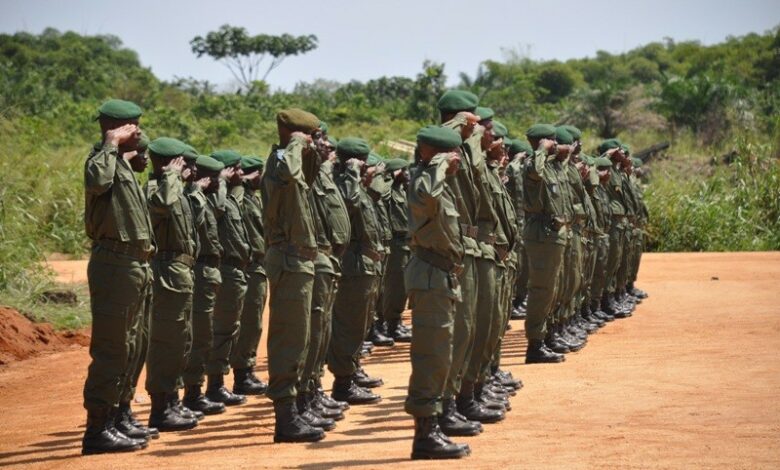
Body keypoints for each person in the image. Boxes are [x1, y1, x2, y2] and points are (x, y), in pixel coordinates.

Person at [82, 99, 154, 454]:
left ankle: (118, 414)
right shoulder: (100, 159)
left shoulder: (119, 165)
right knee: (112, 348)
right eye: (134, 126)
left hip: (134, 265)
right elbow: (96, 181)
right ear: (118, 127)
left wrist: (129, 154)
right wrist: (111, 144)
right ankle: (97, 430)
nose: (139, 131)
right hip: (114, 264)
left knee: (133, 345)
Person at [262, 108, 328, 443]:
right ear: (295, 135)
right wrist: (294, 146)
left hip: (299, 260)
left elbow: (309, 178)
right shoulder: (278, 161)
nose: (315, 142)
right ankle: (285, 419)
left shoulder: (294, 166)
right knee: (288, 339)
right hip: (288, 259)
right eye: (312, 136)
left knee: (300, 337)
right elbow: (288, 167)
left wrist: (313, 152)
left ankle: (296, 408)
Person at [405, 125, 470, 460]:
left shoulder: (438, 184)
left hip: (441, 277)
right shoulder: (422, 182)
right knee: (431, 355)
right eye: (452, 154)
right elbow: (426, 197)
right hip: (429, 277)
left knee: (442, 354)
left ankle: (434, 425)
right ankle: (425, 436)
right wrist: (438, 166)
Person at [144, 137, 205, 432]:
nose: (189, 169)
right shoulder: (157, 189)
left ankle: (172, 400)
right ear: (169, 162)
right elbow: (162, 206)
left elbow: (198, 222)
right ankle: (160, 408)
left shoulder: (177, 191)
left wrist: (191, 187)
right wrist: (170, 175)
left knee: (182, 340)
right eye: (183, 163)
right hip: (166, 271)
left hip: (182, 271)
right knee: (166, 342)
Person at [328, 137, 384, 405]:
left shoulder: (358, 186)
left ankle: (351, 370)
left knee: (360, 323)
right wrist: (351, 172)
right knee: (349, 325)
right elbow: (347, 203)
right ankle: (343, 384)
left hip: (366, 267)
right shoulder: (343, 185)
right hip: (354, 267)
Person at [182, 155, 230, 415]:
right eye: (215, 179)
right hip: (199, 270)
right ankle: (192, 392)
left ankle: (198, 390)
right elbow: (197, 221)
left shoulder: (206, 198)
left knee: (206, 333)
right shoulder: (194, 198)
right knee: (198, 334)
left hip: (210, 270)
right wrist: (204, 188)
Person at [205, 150, 251, 406]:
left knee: (231, 329)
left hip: (236, 269)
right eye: (237, 169)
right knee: (221, 331)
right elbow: (219, 209)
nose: (241, 174)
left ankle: (218, 383)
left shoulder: (232, 197)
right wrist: (221, 180)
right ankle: (213, 386)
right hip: (224, 269)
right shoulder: (215, 198)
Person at [522, 124, 568, 364]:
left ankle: (546, 336)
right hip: (541, 233)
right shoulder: (533, 164)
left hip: (553, 234)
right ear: (541, 142)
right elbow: (535, 172)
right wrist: (541, 149)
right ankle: (535, 345)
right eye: (551, 140)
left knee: (552, 289)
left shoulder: (552, 166)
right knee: (541, 290)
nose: (556, 143)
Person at [229, 156, 269, 396]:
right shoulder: (241, 198)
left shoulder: (253, 198)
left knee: (254, 323)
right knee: (248, 322)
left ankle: (246, 369)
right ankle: (241, 373)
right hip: (249, 266)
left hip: (258, 265)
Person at [382, 158, 413, 342]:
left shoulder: (402, 191)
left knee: (402, 287)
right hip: (395, 243)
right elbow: (382, 194)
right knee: (395, 287)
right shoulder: (389, 191)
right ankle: (391, 324)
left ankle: (397, 321)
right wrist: (389, 177)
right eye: (404, 171)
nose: (408, 174)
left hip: (405, 243)